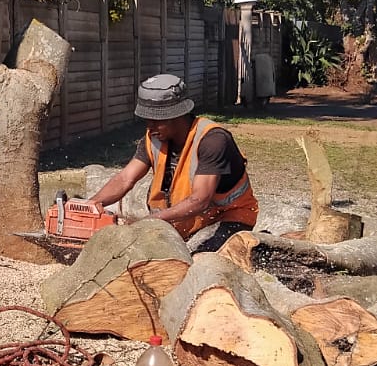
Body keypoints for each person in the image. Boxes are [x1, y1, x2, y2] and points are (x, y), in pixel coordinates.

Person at [87, 73, 258, 253]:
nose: (149, 127)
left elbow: (200, 200)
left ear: (178, 114)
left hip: (229, 219)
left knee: (198, 260)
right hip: (184, 223)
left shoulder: (213, 140)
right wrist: (90, 205)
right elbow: (125, 179)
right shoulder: (153, 138)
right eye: (147, 120)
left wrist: (152, 220)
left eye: (156, 121)